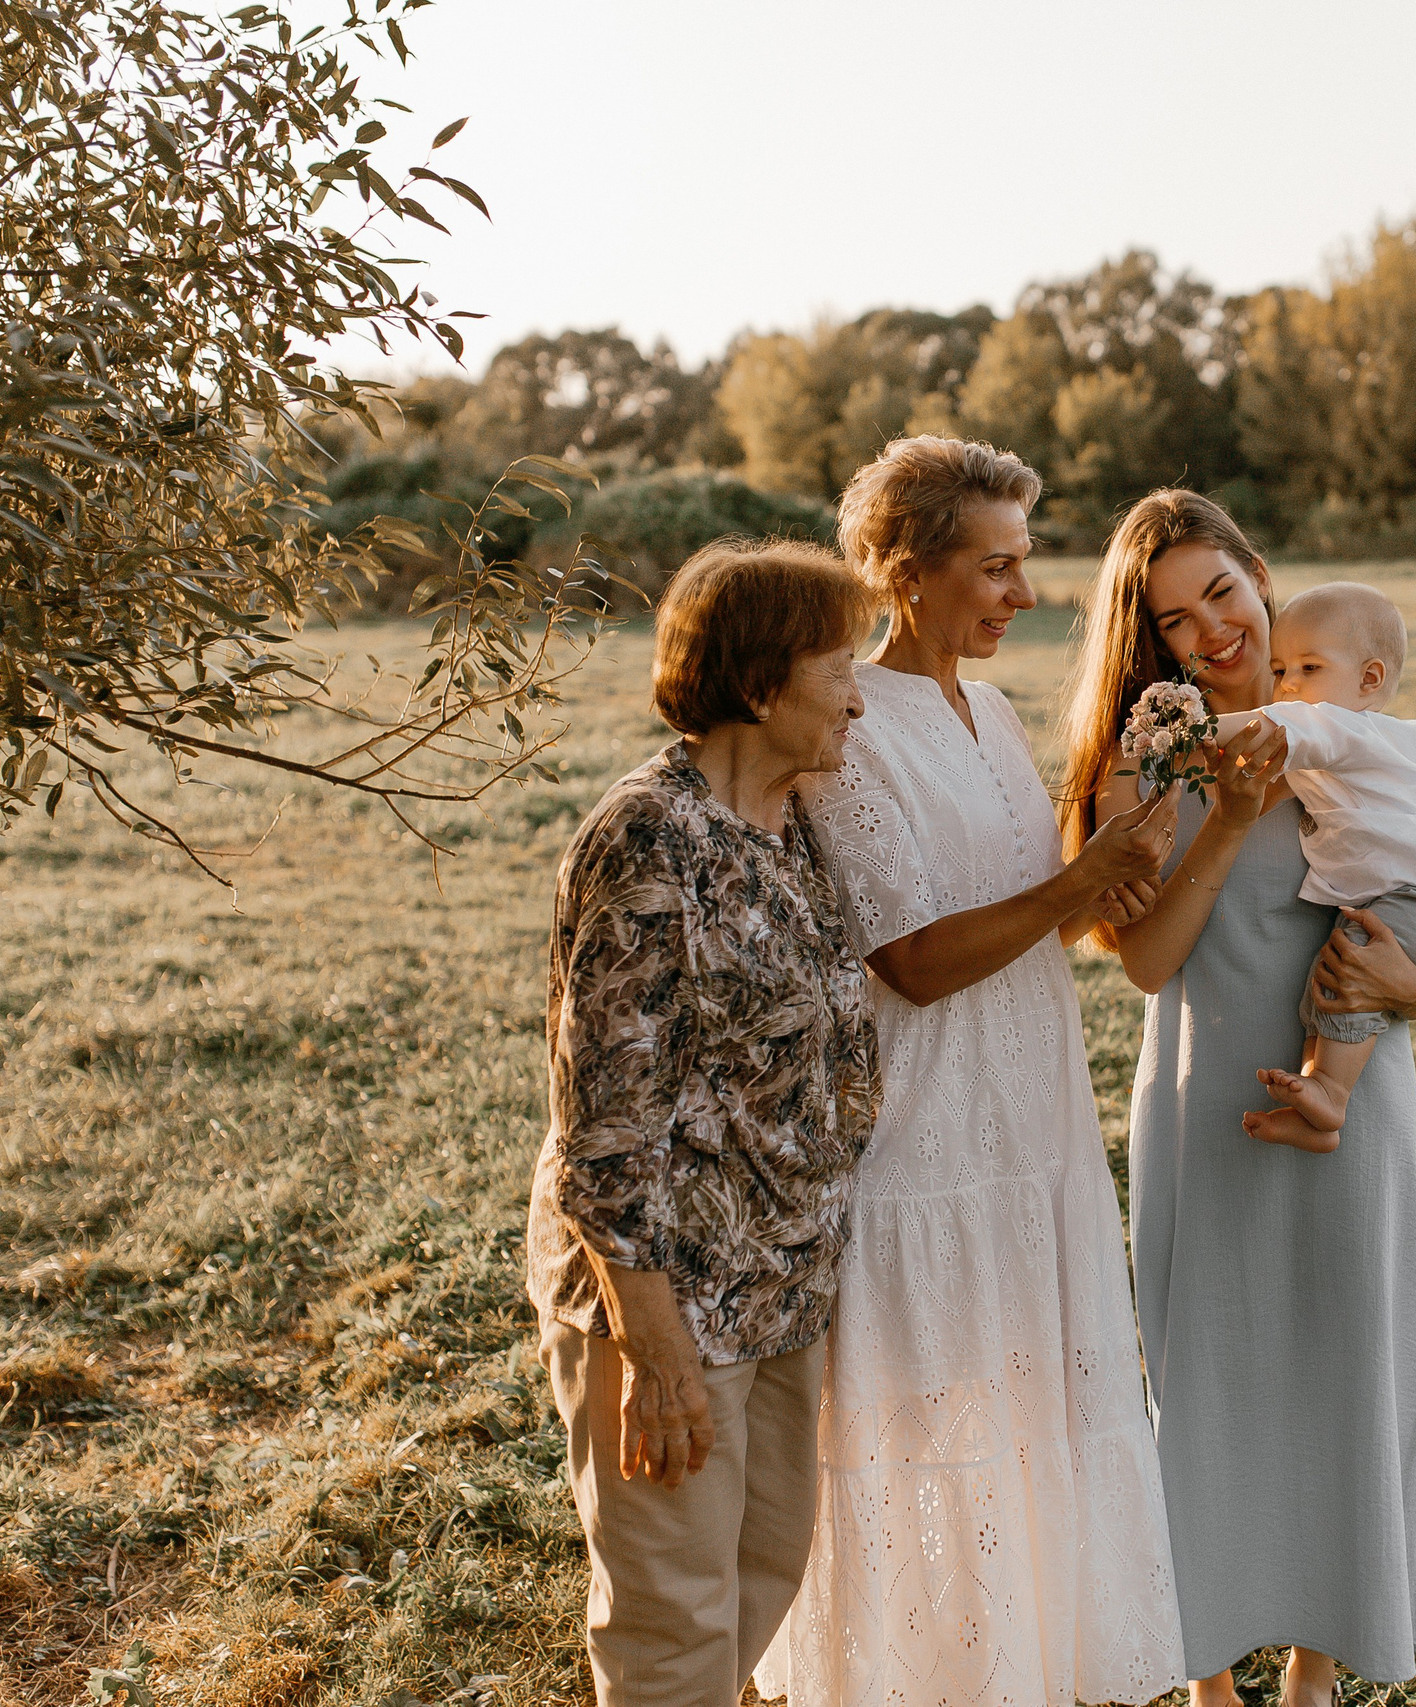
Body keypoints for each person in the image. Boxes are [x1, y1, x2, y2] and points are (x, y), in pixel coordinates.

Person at [756, 437, 1188, 1707]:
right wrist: (1078, 878)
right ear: (904, 570)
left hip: (1034, 1124)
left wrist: (1115, 871)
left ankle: (1022, 1673)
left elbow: (1029, 916)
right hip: (921, 1136)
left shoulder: (992, 714)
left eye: (1024, 563)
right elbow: (913, 959)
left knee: (1029, 1419)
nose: (1023, 593)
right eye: (994, 567)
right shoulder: (849, 728)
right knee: (926, 1432)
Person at [1055, 492, 1416, 1707]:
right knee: (1209, 1385)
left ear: (1260, 574)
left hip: (1354, 1105)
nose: (1212, 634)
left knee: (1347, 1372)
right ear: (1150, 642)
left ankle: (1314, 1664)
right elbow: (1146, 964)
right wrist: (1226, 819)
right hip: (1208, 1103)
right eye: (1174, 622)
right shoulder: (1146, 766)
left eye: (1221, 594)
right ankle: (1206, 1676)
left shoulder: (1351, 728)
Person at [525, 539, 884, 1707]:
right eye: (840, 667)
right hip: (668, 1295)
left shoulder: (787, 820)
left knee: (761, 1574)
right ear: (763, 685)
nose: (857, 698)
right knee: (674, 1618)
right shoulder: (650, 838)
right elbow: (605, 1123)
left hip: (781, 1283)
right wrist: (656, 1348)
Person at [1238, 581, 1416, 1151]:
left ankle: (1331, 1092)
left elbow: (1280, 728)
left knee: (1346, 963)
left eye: (1309, 667)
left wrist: (1195, 732)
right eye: (1279, 670)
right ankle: (1315, 1106)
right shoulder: (1385, 742)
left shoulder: (1345, 729)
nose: (1288, 684)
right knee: (1326, 981)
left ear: (1369, 679)